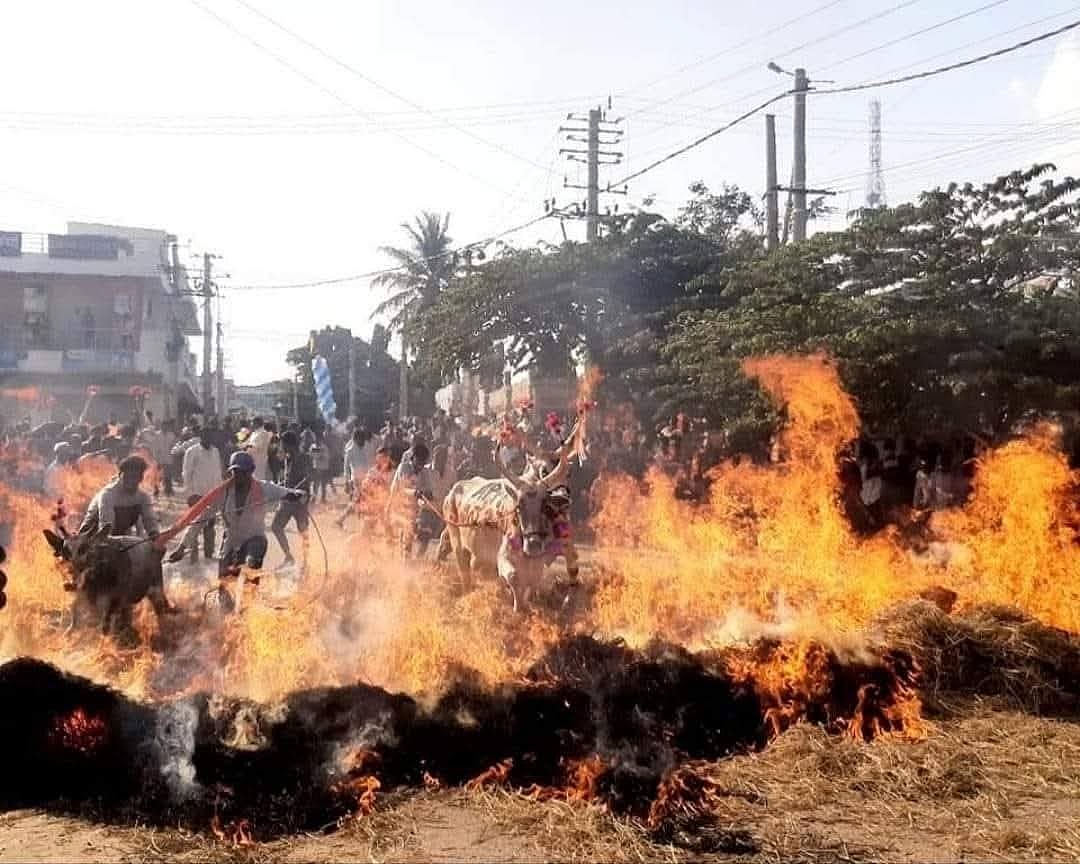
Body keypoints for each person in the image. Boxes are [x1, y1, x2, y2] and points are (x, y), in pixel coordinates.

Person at [171, 451, 303, 588]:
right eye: (236, 472)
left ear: (251, 471)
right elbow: (200, 520)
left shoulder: (263, 488)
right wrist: (182, 547)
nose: (239, 477)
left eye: (243, 473)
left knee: (252, 562)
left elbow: (284, 492)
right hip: (231, 542)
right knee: (224, 586)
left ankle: (250, 591)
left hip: (254, 539)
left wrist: (295, 494)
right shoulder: (223, 493)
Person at [79, 455, 160, 538]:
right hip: (92, 537)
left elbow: (150, 520)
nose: (131, 481)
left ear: (140, 478)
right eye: (127, 477)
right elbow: (106, 525)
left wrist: (154, 534)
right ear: (120, 475)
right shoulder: (107, 495)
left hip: (119, 536)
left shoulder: (143, 497)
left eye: (135, 477)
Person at [179, 427, 223, 563]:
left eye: (212, 435)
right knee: (195, 525)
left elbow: (218, 472)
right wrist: (190, 494)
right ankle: (193, 556)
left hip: (213, 494)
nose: (209, 438)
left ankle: (209, 555)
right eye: (207, 435)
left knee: (210, 525)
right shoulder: (192, 452)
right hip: (196, 494)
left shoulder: (215, 451)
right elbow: (186, 474)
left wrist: (219, 492)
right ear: (201, 436)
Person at [271, 431, 311, 569]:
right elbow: (288, 478)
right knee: (276, 526)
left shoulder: (303, 458)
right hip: (287, 500)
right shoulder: (288, 458)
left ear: (288, 444)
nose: (281, 446)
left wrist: (297, 491)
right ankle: (288, 556)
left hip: (300, 501)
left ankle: (306, 562)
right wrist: (281, 486)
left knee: (303, 532)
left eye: (282, 443)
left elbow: (306, 478)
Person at [245, 417, 272, 481]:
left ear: (257, 423)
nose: (251, 424)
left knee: (260, 480)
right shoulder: (254, 433)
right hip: (252, 460)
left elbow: (260, 447)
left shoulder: (263, 433)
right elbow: (247, 443)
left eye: (252, 422)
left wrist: (249, 446)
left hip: (260, 460)